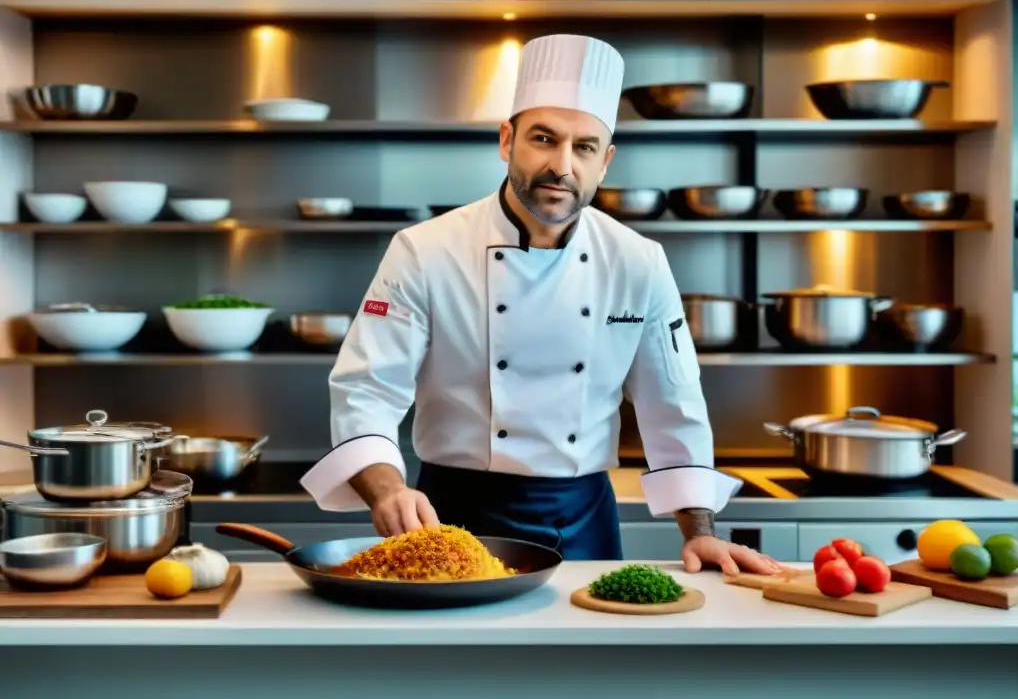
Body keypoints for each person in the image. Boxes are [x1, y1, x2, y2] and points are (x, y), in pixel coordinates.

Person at [301, 33, 778, 576]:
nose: (562, 166)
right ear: (507, 140)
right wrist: (386, 489)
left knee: (585, 660)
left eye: (584, 147)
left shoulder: (638, 261)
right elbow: (368, 387)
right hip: (452, 515)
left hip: (583, 520)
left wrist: (701, 533)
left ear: (606, 162)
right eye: (544, 139)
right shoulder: (424, 250)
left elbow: (673, 406)